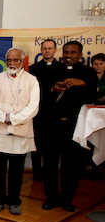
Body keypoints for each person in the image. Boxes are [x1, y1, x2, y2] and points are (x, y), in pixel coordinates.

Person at [42, 40, 97, 212]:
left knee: (71, 165)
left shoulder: (88, 73)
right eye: (66, 52)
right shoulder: (53, 70)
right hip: (53, 125)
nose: (68, 56)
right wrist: (53, 89)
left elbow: (92, 97)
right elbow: (42, 95)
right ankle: (50, 198)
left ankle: (67, 199)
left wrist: (82, 83)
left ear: (80, 55)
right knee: (50, 164)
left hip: (75, 126)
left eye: (73, 53)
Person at [0, 48, 39, 215]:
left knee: (17, 170)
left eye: (16, 60)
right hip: (0, 130)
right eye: (9, 60)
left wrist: (13, 119)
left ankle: (14, 201)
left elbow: (33, 106)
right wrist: (3, 117)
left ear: (22, 61)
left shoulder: (32, 80)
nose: (12, 63)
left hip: (20, 131)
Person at [28, 39, 64, 181]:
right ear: (41, 50)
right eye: (45, 48)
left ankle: (50, 173)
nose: (47, 51)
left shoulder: (62, 68)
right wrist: (50, 88)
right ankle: (37, 173)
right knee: (36, 146)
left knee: (53, 147)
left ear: (55, 50)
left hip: (55, 113)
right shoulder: (33, 68)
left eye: (50, 48)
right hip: (38, 112)